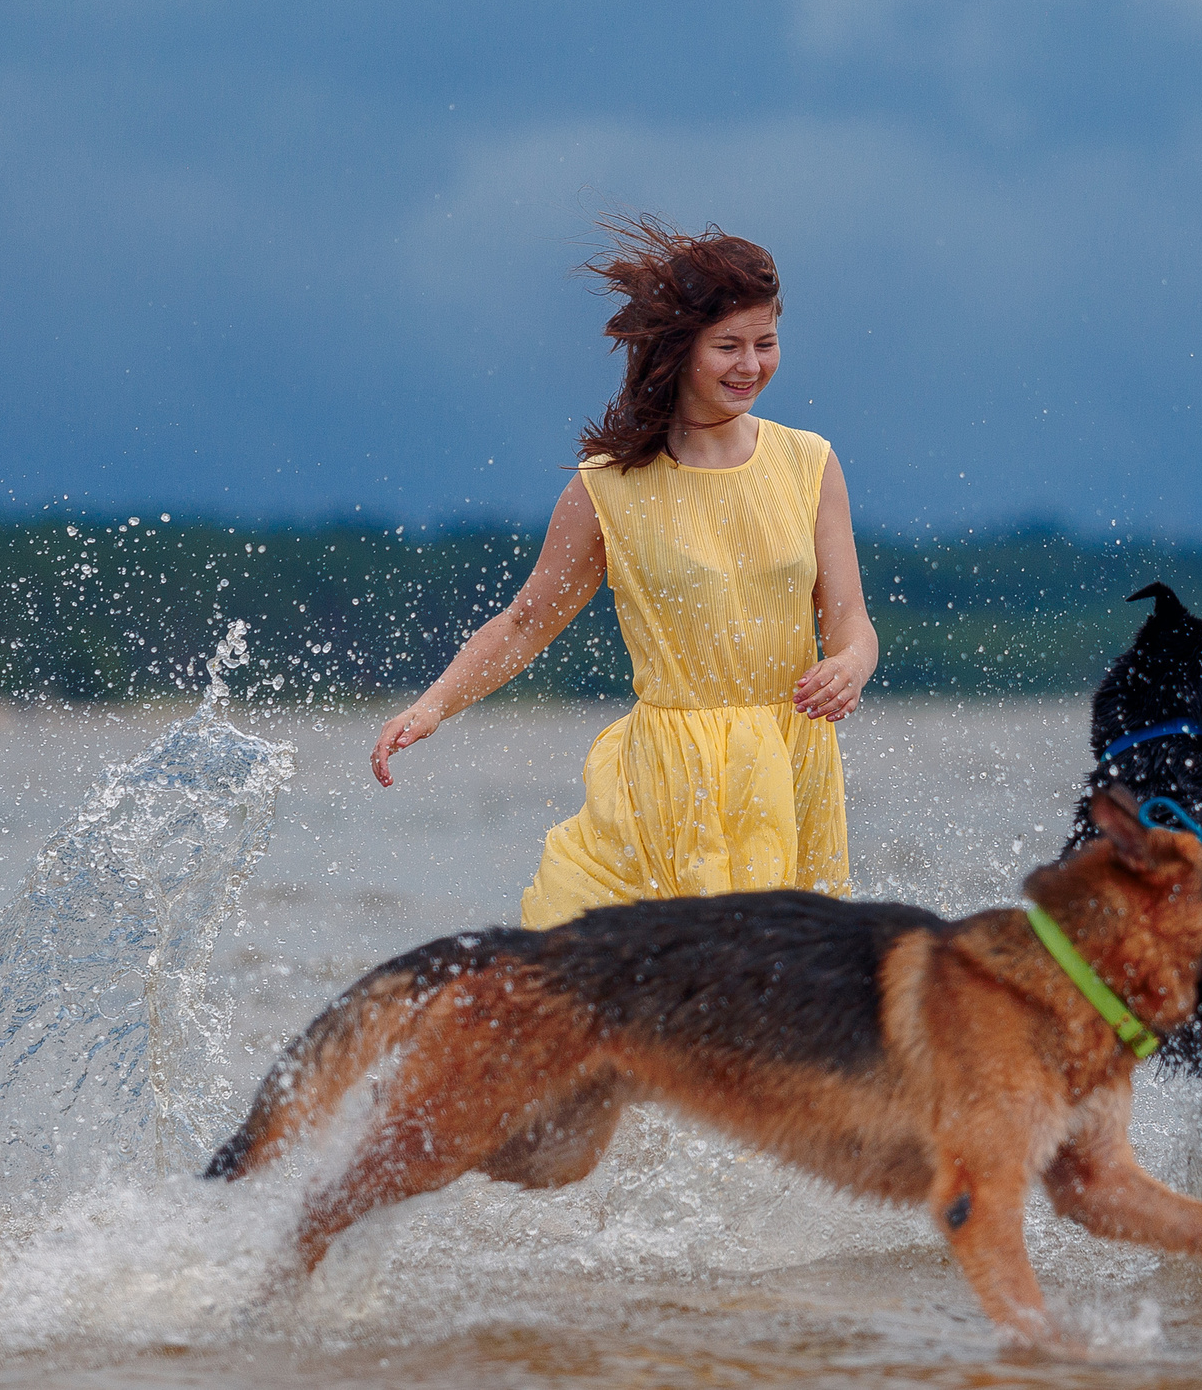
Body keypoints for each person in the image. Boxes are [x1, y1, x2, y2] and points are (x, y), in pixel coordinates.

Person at [370, 219, 877, 928]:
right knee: (596, 987)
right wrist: (432, 706)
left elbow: (848, 615)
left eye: (766, 343)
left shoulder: (810, 463)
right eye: (728, 345)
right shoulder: (609, 486)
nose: (751, 364)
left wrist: (852, 662)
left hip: (789, 769)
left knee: (771, 1009)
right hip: (667, 781)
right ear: (678, 350)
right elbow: (526, 620)